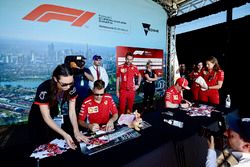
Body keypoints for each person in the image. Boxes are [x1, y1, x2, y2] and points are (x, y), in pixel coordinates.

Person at [28, 64, 89, 149]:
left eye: (70, 83)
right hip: (38, 115)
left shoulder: (71, 87)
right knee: (40, 142)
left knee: (54, 140)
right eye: (64, 84)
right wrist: (65, 135)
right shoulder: (44, 88)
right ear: (55, 79)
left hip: (54, 110)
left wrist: (76, 131)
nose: (68, 87)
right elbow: (46, 117)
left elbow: (71, 111)